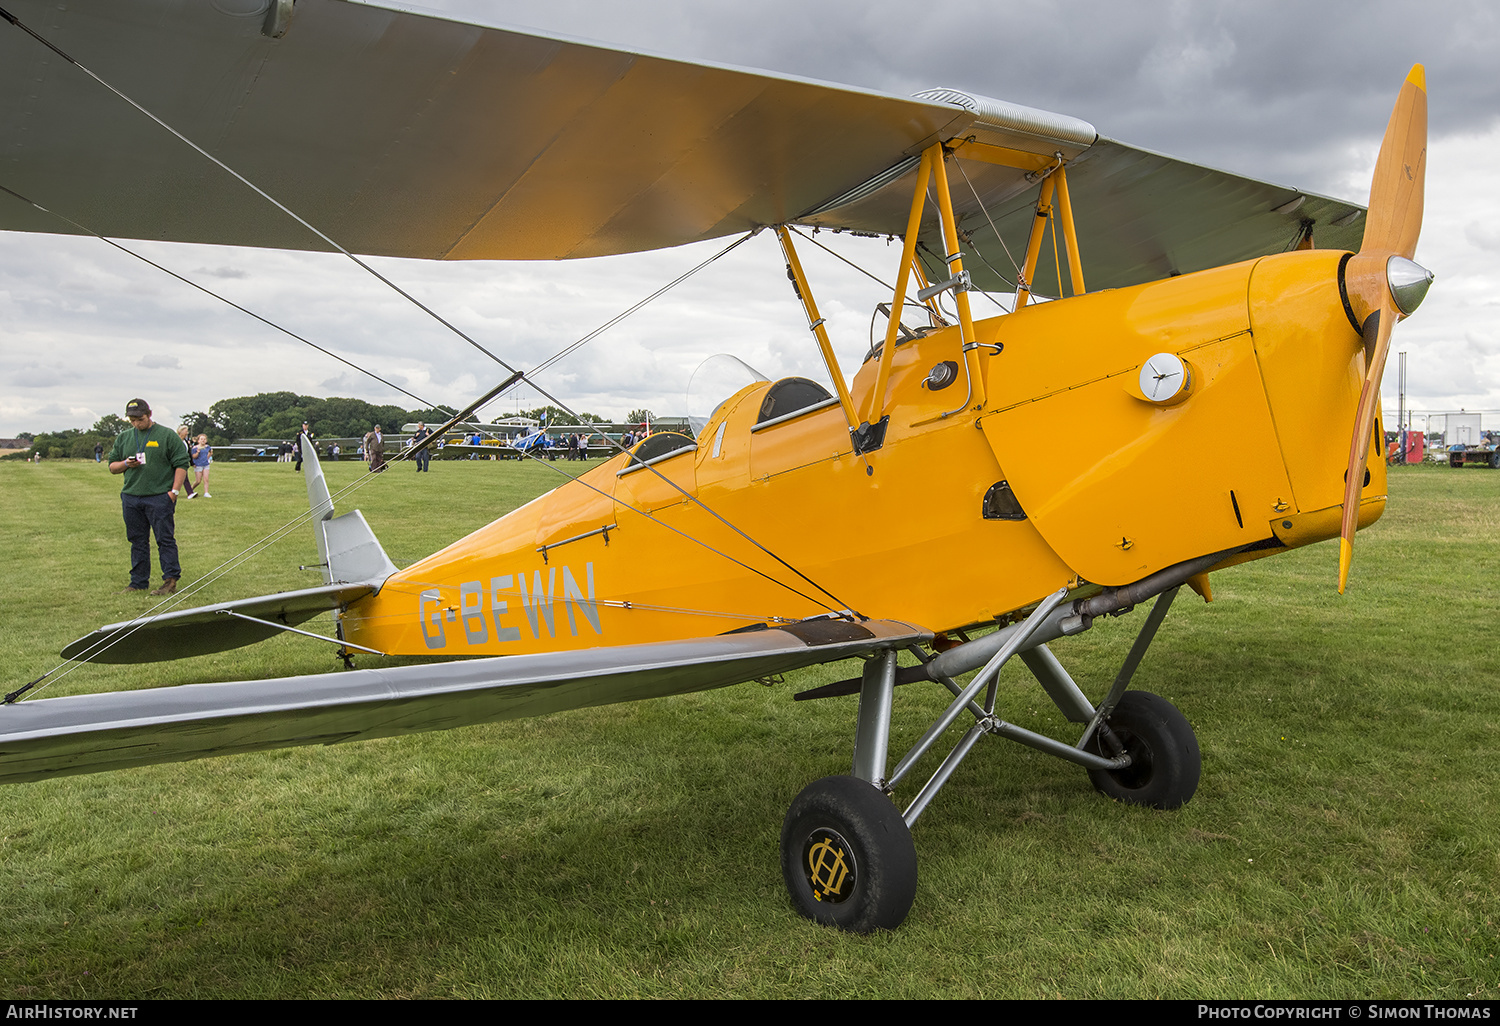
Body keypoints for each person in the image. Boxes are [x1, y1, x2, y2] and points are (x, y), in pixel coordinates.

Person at [108, 398, 189, 595]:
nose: (136, 423)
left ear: (149, 414)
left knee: (165, 539)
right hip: (131, 497)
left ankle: (170, 580)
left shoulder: (166, 435)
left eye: (140, 419)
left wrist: (174, 492)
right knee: (137, 540)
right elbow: (112, 467)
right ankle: (138, 582)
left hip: (159, 497)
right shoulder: (124, 437)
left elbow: (181, 463)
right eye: (132, 420)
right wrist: (126, 464)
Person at [175, 426, 197, 498]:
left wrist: (192, 463)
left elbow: (189, 453)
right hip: (175, 462)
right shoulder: (175, 440)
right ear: (181, 431)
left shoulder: (186, 442)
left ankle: (190, 493)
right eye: (186, 431)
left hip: (183, 462)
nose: (187, 433)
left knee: (185, 477)